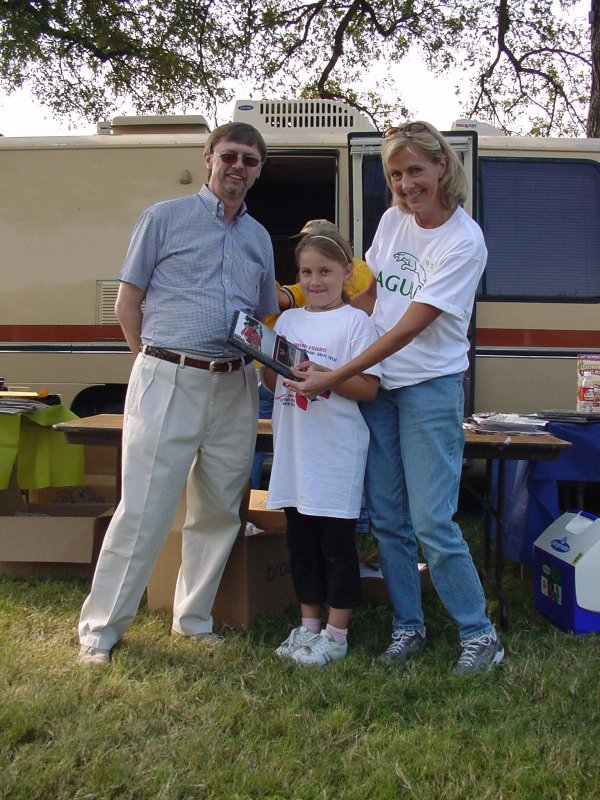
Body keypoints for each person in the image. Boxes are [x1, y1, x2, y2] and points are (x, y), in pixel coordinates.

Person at [286, 121, 504, 675]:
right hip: (381, 387)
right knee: (386, 516)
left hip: (429, 387)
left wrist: (335, 374)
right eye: (395, 174)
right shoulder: (391, 221)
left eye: (415, 170)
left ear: (441, 168)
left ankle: (479, 634)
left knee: (432, 519)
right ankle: (409, 625)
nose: (406, 184)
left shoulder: (463, 240)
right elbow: (371, 295)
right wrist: (322, 334)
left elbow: (409, 326)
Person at [78, 122, 278, 665]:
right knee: (144, 509)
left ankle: (192, 620)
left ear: (259, 171)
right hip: (168, 376)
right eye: (231, 155)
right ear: (209, 157)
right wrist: (151, 360)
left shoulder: (260, 239)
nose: (239, 167)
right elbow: (128, 302)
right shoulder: (163, 218)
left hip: (235, 385)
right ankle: (100, 631)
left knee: (218, 512)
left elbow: (263, 316)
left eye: (251, 160)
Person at [262, 228, 381, 667]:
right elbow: (272, 381)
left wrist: (325, 375)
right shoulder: (288, 322)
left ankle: (337, 633)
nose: (315, 281)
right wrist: (276, 369)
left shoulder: (357, 323)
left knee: (336, 548)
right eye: (307, 272)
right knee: (301, 545)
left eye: (326, 271)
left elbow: (369, 388)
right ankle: (308, 626)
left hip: (335, 456)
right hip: (295, 455)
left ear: (347, 273)